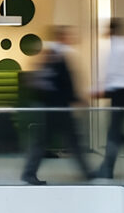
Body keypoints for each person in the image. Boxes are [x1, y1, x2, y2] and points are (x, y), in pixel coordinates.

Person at [21, 25, 93, 184]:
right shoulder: (55, 56)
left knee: (69, 140)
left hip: (54, 107)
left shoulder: (51, 55)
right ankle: (29, 173)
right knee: (56, 140)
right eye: (67, 36)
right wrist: (76, 98)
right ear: (61, 37)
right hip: (56, 107)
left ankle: (86, 172)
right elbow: (62, 82)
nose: (70, 39)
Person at [92, 18, 124, 179]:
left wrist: (98, 90)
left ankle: (107, 169)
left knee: (114, 133)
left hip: (118, 93)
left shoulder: (116, 48)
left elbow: (111, 73)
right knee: (119, 132)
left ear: (111, 30)